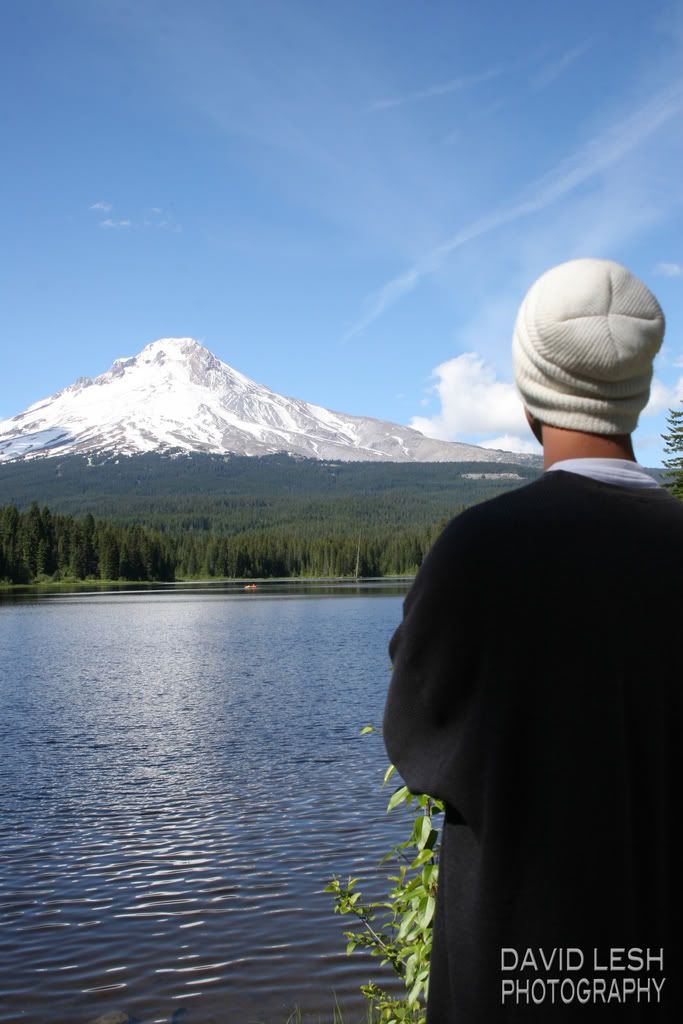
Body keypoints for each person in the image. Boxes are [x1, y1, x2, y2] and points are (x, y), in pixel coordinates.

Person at [383, 258, 683, 1022]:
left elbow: (416, 743)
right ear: (638, 391)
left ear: (528, 392)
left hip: (517, 972)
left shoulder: (480, 550)